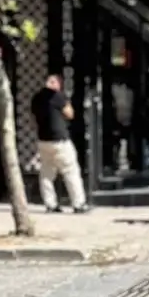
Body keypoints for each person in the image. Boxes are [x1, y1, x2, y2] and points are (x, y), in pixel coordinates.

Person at [30, 73, 90, 214]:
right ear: (56, 83)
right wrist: (66, 100)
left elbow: (32, 118)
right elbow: (70, 114)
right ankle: (79, 204)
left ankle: (50, 204)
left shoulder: (36, 98)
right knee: (70, 170)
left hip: (43, 140)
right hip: (60, 140)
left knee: (46, 173)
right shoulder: (57, 96)